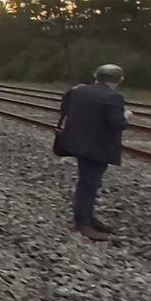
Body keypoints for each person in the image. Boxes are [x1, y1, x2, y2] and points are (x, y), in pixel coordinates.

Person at [55, 63, 130, 241]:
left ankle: (87, 217)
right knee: (88, 184)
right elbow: (116, 124)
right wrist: (126, 116)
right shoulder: (114, 96)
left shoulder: (77, 91)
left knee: (88, 182)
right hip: (97, 148)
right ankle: (83, 223)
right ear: (119, 80)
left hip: (76, 143)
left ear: (96, 76)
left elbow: (64, 110)